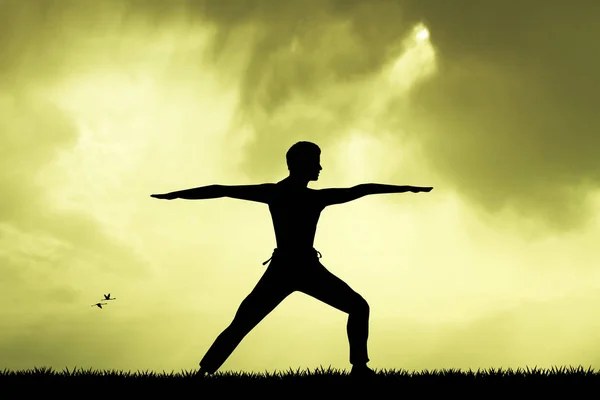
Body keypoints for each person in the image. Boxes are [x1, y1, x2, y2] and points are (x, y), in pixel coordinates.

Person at [151, 141, 433, 377]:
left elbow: (362, 189)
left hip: (302, 268)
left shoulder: (293, 195)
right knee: (243, 321)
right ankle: (202, 374)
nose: (321, 168)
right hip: (288, 268)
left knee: (358, 307)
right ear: (301, 164)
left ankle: (360, 368)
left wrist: (405, 188)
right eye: (317, 162)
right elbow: (220, 189)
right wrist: (177, 195)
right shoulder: (290, 195)